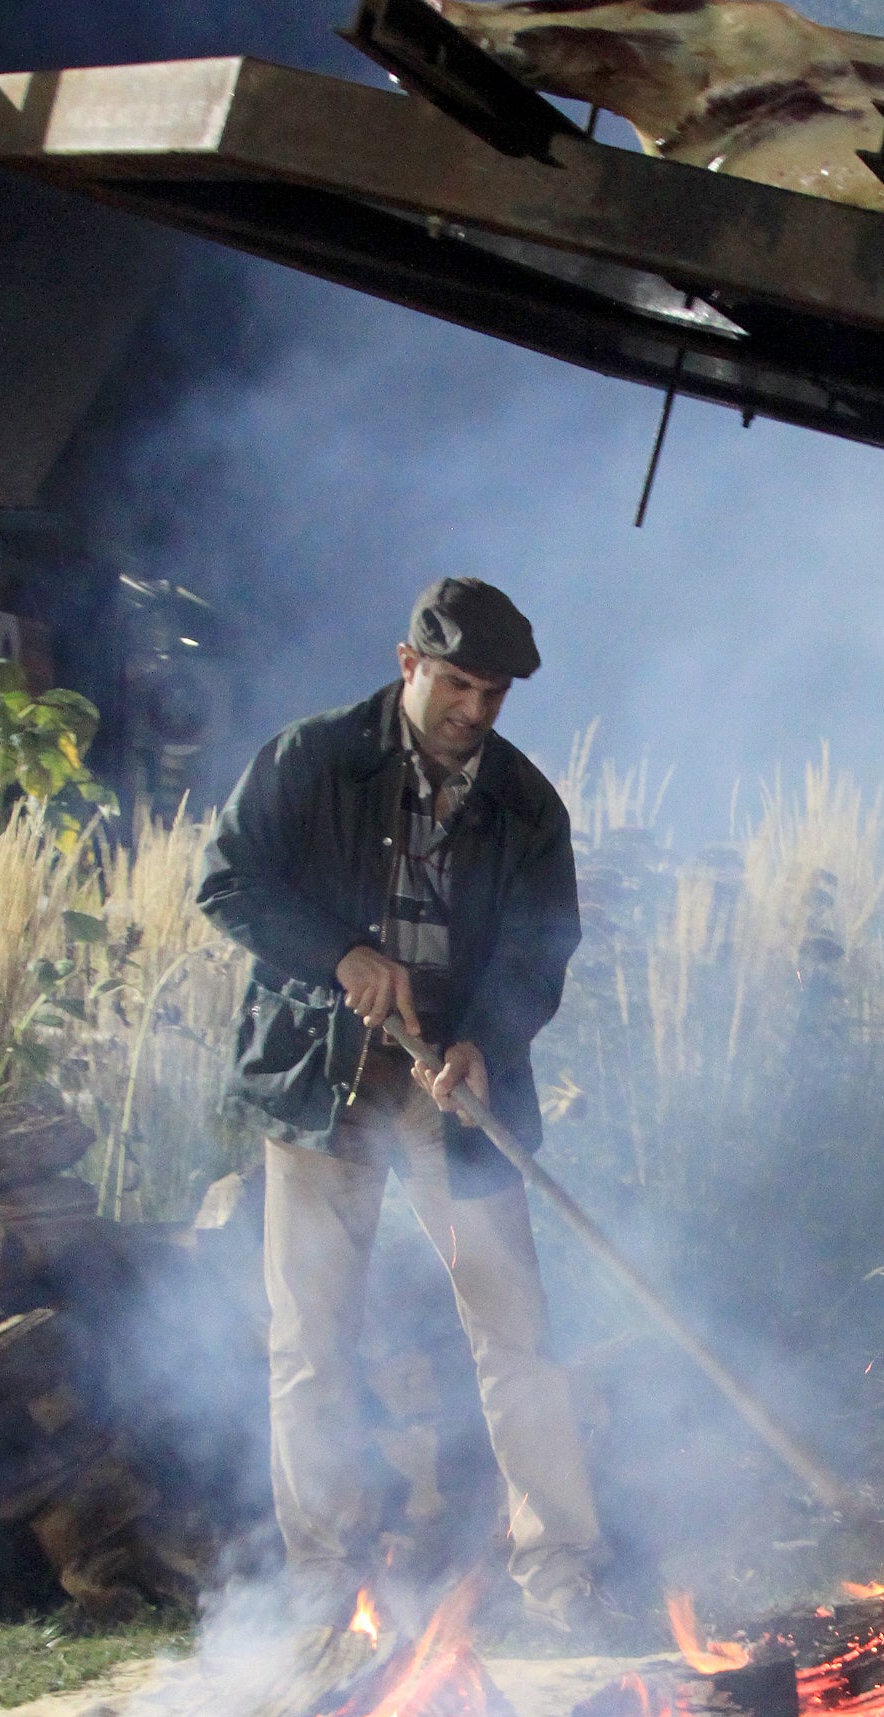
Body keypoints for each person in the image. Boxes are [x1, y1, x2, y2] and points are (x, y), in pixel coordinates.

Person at [197, 575, 604, 1637]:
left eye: (495, 693)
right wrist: (338, 955)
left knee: (514, 1329)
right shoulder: (314, 759)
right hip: (321, 1078)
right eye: (458, 683)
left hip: (457, 1091)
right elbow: (229, 881)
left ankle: (558, 1571)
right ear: (407, 663)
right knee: (312, 1338)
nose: (474, 709)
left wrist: (483, 1039)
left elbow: (541, 949)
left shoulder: (523, 804)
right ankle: (323, 1577)